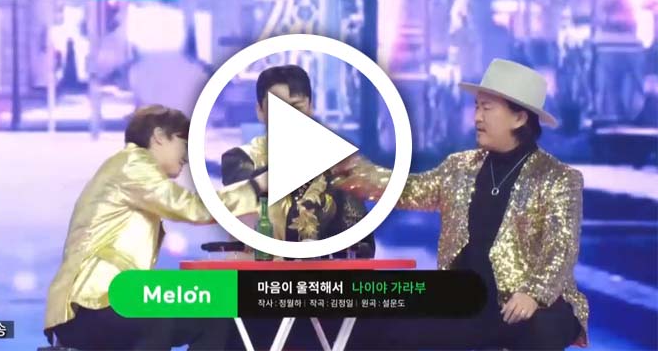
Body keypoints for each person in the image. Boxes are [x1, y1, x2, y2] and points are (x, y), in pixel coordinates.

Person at [334, 59, 588, 349]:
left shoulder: (558, 178)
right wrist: (356, 171)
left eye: (487, 108)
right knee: (387, 322)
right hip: (469, 299)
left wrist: (533, 292)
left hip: (530, 303)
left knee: (541, 326)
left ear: (519, 118)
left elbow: (561, 248)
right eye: (476, 107)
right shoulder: (460, 167)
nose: (477, 117)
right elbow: (409, 189)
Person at [44, 105, 267, 350]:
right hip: (91, 304)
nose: (187, 156)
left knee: (213, 316)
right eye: (184, 143)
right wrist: (255, 187)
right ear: (159, 136)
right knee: (158, 317)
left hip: (114, 300)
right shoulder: (132, 164)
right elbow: (192, 208)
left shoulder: (131, 170)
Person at [221, 64, 374, 257]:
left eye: (296, 108)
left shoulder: (338, 164)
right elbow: (245, 209)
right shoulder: (240, 159)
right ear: (260, 111)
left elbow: (361, 241)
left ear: (310, 107)